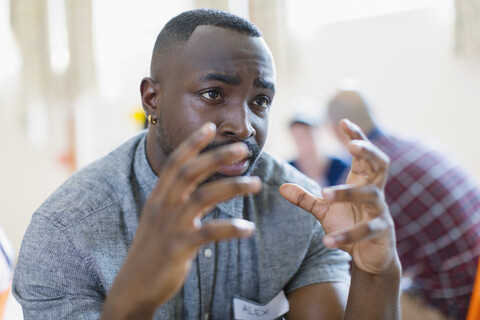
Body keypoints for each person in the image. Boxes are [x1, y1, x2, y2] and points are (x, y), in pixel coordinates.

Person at [13, 9, 401, 319]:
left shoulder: (300, 207)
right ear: (152, 99)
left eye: (260, 101)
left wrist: (376, 273)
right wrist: (132, 304)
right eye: (213, 94)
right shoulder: (64, 232)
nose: (244, 126)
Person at [327, 86, 480, 320]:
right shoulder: (418, 143)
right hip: (474, 282)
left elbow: (342, 268)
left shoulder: (364, 179)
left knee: (344, 295)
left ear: (336, 131)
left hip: (459, 304)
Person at [288, 114, 349, 187]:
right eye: (299, 139)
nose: (304, 144)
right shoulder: (289, 170)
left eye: (307, 136)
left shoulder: (341, 168)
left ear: (319, 135)